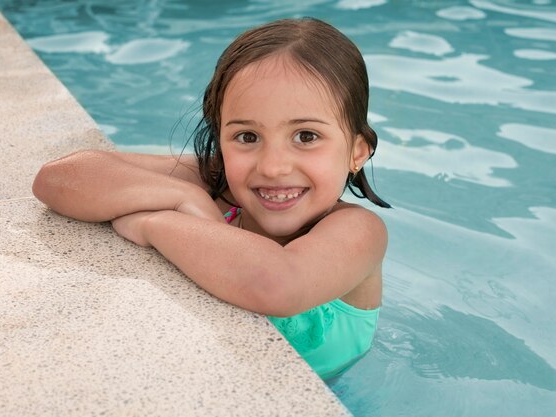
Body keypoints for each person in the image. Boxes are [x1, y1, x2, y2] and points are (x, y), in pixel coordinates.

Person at [32, 17, 389, 380]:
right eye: (247, 137)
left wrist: (157, 222)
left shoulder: (359, 231)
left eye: (307, 136)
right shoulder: (217, 185)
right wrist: (183, 195)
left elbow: (277, 285)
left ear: (357, 151)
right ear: (220, 140)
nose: (273, 167)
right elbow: (59, 178)